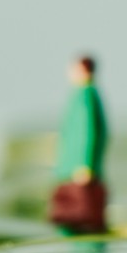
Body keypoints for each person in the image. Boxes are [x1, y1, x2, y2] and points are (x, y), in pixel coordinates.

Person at [50, 55, 109, 233]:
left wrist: (85, 165)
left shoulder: (86, 95)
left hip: (77, 170)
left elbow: (88, 132)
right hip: (70, 168)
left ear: (82, 70)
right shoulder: (82, 93)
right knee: (72, 216)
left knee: (79, 217)